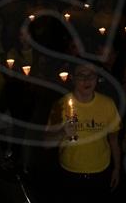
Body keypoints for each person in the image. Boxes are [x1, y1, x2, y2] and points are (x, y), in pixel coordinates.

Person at [45, 62, 121, 203]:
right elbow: (46, 143)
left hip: (101, 172)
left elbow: (114, 140)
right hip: (70, 173)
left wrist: (116, 168)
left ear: (97, 78)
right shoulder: (60, 105)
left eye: (91, 75)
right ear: (72, 78)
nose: (86, 80)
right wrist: (63, 132)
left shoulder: (107, 104)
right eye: (81, 75)